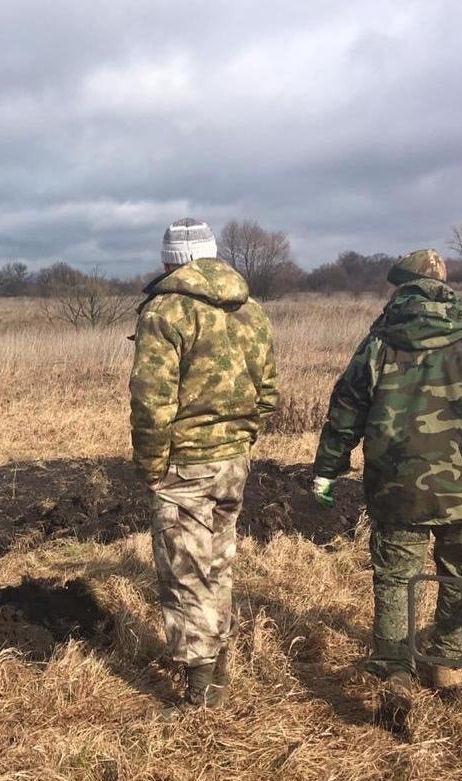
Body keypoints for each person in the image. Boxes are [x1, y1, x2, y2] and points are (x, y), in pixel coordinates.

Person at [311, 249, 462, 722]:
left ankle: (395, 672)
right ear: (446, 288)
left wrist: (327, 470)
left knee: (395, 579)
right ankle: (450, 665)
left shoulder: (378, 343)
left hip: (396, 490)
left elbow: (344, 412)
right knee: (459, 575)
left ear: (402, 289)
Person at [129, 218, 279, 719]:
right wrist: (241, 440)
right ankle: (218, 673)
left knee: (185, 573)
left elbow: (152, 401)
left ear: (170, 260)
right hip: (233, 462)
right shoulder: (251, 310)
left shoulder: (166, 311)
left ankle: (199, 695)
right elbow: (269, 392)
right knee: (218, 565)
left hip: (186, 465)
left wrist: (152, 467)